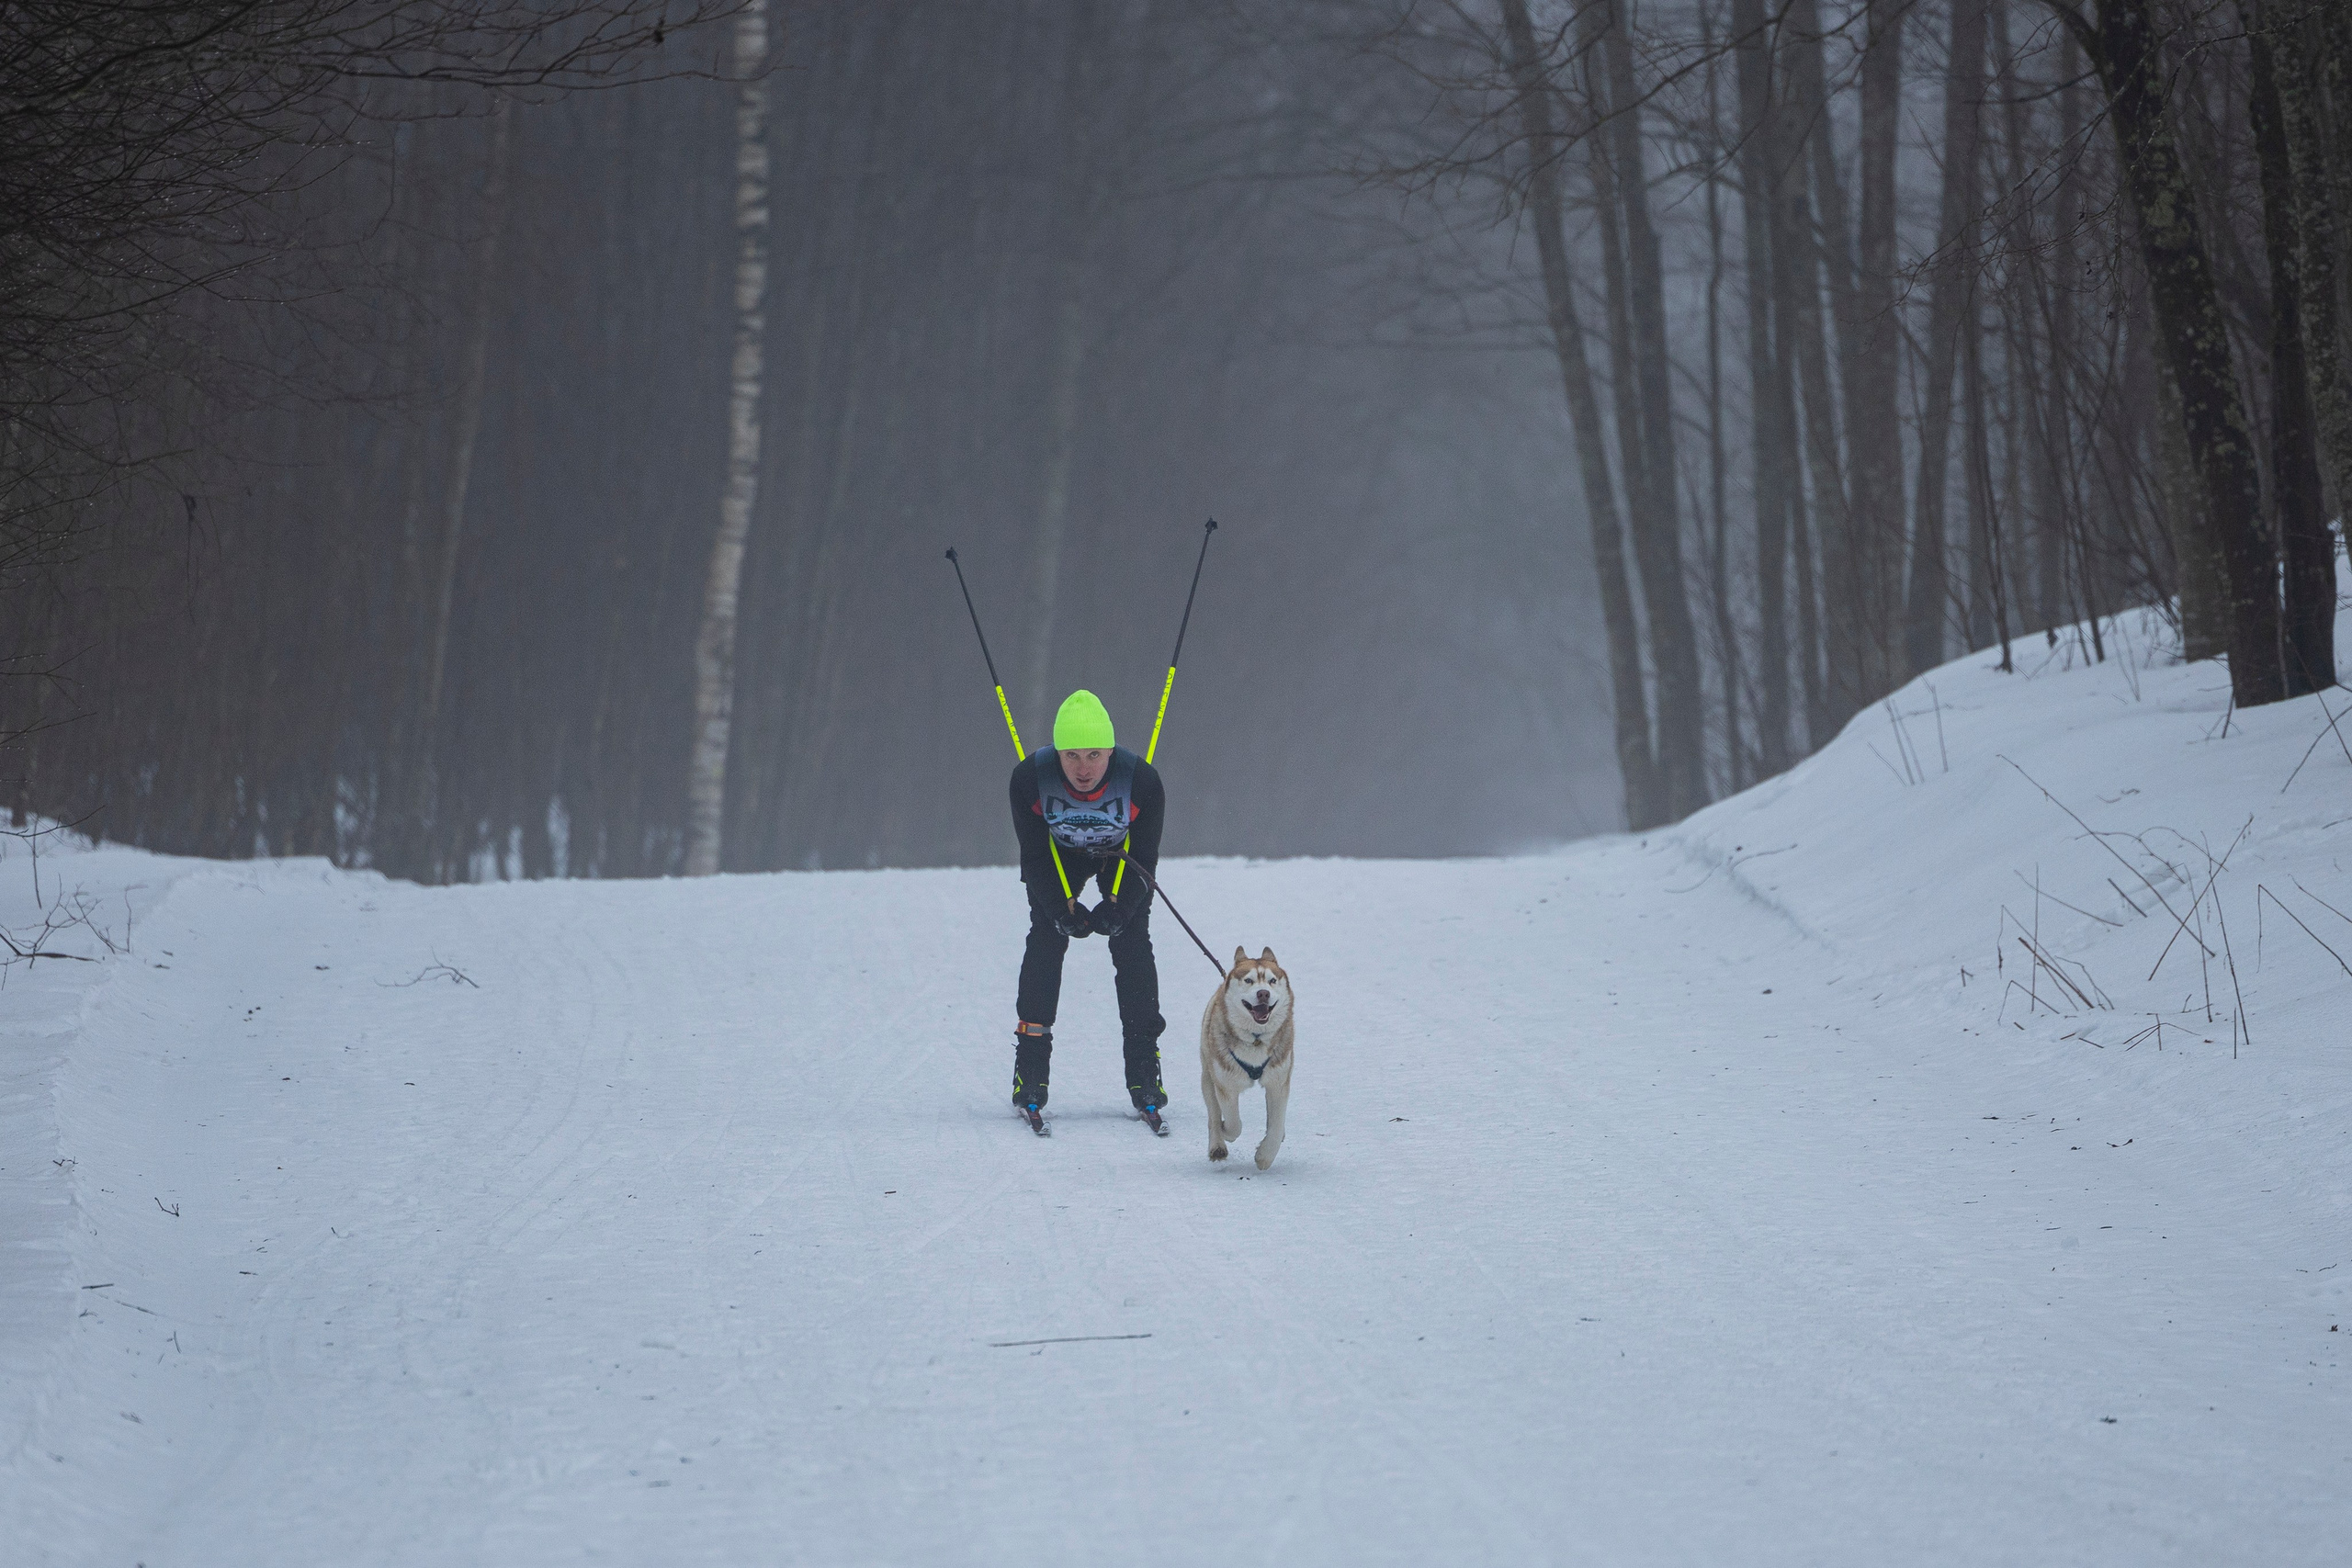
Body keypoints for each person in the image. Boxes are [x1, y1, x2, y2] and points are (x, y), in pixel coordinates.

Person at [1008, 689, 1166, 1119]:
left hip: (1121, 856)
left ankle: (1145, 1070)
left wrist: (1121, 907)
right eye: (1072, 756)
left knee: (1131, 939)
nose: (1083, 769)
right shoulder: (1029, 780)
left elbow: (1145, 858)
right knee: (1046, 935)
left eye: (1094, 755)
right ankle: (1031, 1069)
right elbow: (1035, 855)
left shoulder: (1143, 782)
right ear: (1057, 754)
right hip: (1058, 857)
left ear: (1110, 751)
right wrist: (1062, 909)